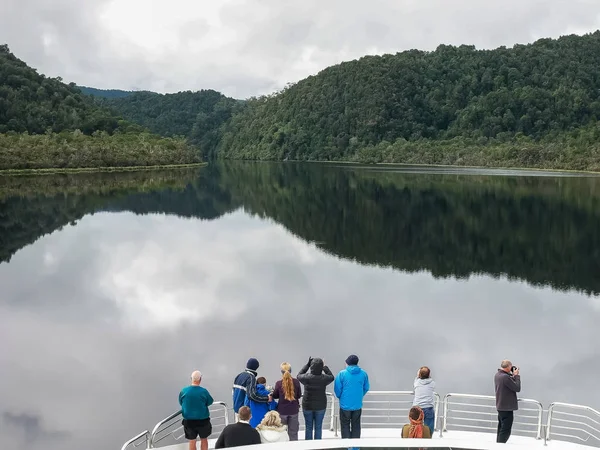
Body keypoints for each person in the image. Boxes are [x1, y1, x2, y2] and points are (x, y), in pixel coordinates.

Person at [297, 356, 335, 440]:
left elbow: (299, 375)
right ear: (321, 367)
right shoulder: (324, 378)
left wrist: (307, 365)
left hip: (307, 406)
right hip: (321, 406)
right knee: (318, 427)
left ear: (311, 367)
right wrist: (325, 367)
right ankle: (318, 446)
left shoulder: (306, 377)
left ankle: (309, 447)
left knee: (308, 426)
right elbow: (331, 376)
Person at [334, 354, 370, 439]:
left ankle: (347, 446)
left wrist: (341, 397)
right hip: (357, 405)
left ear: (347, 363)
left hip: (344, 405)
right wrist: (360, 395)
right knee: (356, 425)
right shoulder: (363, 374)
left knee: (345, 425)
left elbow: (337, 389)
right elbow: (366, 387)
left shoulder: (342, 374)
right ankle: (355, 447)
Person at [179, 370, 214, 450]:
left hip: (189, 421)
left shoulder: (183, 391)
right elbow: (210, 401)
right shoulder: (203, 391)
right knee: (204, 439)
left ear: (191, 378)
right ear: (200, 379)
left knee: (192, 441)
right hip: (203, 420)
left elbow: (181, 402)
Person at [272, 362, 302, 440]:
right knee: (293, 433)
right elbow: (298, 395)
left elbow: (275, 396)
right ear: (290, 370)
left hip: (282, 411)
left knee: (282, 434)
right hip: (294, 410)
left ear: (281, 372)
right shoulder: (296, 382)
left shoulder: (278, 383)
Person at [494, 359, 521, 443]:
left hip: (500, 406)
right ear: (509, 366)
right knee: (506, 430)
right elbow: (517, 388)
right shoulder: (505, 377)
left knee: (501, 428)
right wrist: (516, 376)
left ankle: (498, 445)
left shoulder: (498, 375)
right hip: (506, 408)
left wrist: (512, 376)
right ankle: (500, 446)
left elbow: (506, 384)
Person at [413, 366, 436, 433]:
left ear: (419, 374)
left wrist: (418, 374)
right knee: (428, 428)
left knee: (415, 427)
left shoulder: (416, 382)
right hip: (428, 407)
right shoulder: (432, 383)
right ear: (429, 375)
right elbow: (430, 379)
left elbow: (417, 378)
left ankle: (415, 437)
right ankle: (428, 438)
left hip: (417, 407)